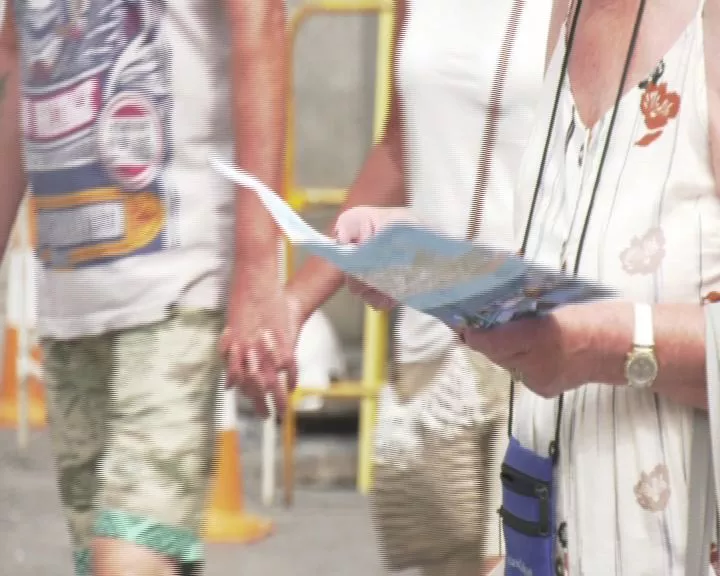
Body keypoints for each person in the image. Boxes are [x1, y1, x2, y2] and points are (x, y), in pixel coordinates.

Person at [339, 0, 720, 573]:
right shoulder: (567, 14)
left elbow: (599, 322)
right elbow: (580, 257)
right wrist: (435, 262)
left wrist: (604, 346)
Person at [232, 0, 552, 574]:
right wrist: (298, 298)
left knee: (510, 560)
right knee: (444, 562)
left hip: (542, 329)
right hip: (433, 338)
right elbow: (402, 144)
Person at [0, 0, 287, 575]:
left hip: (179, 280)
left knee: (127, 559)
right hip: (69, 295)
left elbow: (262, 26)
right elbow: (18, 64)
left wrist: (260, 268)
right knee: (108, 555)